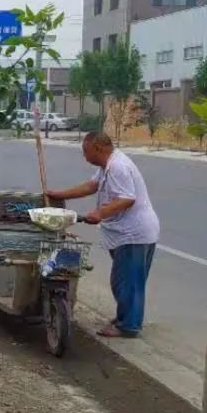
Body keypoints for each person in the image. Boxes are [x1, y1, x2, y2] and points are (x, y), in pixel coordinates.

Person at [47, 132, 160, 339]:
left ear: (98, 148)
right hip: (128, 233)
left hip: (133, 233)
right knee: (124, 281)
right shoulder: (107, 166)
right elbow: (91, 186)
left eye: (85, 151)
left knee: (128, 282)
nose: (84, 156)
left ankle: (128, 326)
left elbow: (127, 199)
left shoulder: (117, 167)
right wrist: (60, 194)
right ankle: (126, 317)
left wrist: (99, 214)